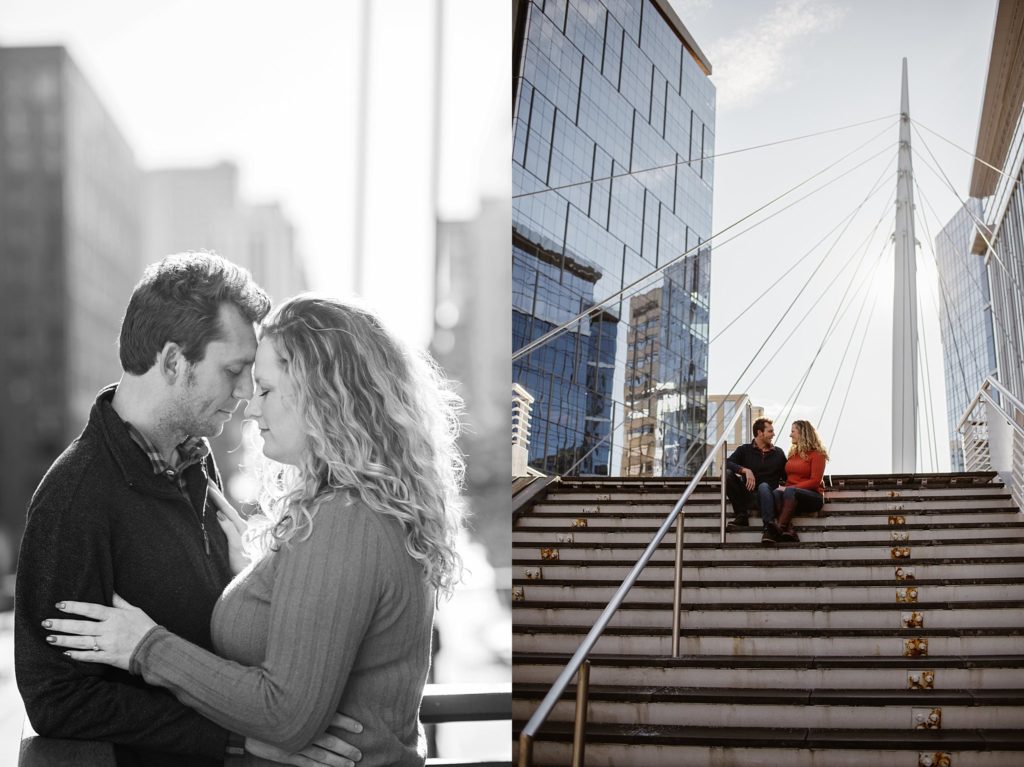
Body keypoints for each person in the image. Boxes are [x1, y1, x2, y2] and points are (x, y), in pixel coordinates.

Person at [42, 294, 466, 767]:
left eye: (265, 389)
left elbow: (284, 715)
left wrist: (145, 646)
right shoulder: (348, 511)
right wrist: (265, 577)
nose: (251, 407)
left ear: (322, 395)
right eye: (241, 378)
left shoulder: (346, 521)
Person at [16, 253, 360, 767]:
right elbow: (57, 699)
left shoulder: (194, 466)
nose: (247, 393)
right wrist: (233, 736)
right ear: (174, 361)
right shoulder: (76, 498)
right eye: (234, 371)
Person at [723, 417, 787, 543]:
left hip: (769, 497)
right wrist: (744, 470)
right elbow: (726, 463)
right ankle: (742, 516)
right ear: (759, 432)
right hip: (748, 495)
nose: (773, 434)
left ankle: (768, 528)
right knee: (727, 473)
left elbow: (788, 477)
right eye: (770, 431)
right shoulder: (744, 449)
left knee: (764, 486)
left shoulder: (779, 453)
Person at [770, 419, 830, 543]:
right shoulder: (793, 454)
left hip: (812, 496)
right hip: (791, 496)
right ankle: (789, 530)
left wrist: (790, 488)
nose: (790, 435)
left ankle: (779, 528)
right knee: (776, 493)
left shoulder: (818, 454)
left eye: (793, 431)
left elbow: (815, 481)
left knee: (789, 491)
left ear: (803, 433)